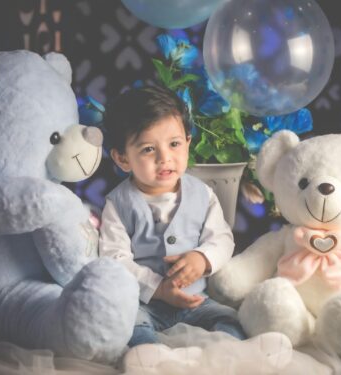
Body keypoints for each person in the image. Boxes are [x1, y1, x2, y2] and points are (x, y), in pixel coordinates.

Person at [99, 84, 246, 347]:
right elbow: (114, 259)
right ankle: (152, 357)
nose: (165, 158)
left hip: (196, 301)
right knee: (127, 327)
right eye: (147, 149)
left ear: (188, 143)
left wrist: (203, 258)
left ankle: (219, 359)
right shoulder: (118, 204)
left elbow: (222, 239)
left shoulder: (203, 194)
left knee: (231, 321)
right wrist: (157, 287)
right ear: (122, 159)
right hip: (144, 303)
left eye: (174, 144)